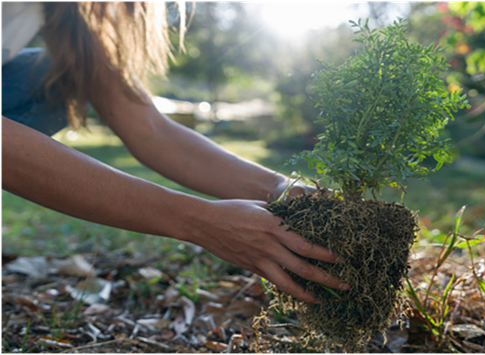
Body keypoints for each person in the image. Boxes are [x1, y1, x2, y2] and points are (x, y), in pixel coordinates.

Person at [2, 2, 349, 304]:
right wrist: (201, 221)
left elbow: (150, 130)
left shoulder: (67, 11)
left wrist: (278, 187)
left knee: (59, 75)